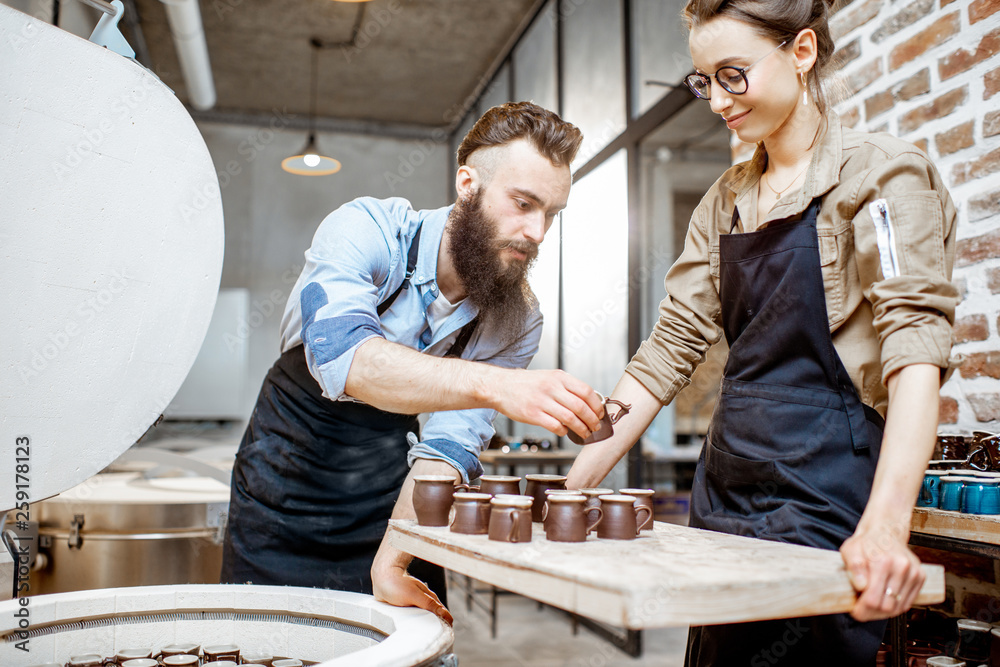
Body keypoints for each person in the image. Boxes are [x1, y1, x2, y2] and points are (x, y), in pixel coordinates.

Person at [564, 0, 958, 663]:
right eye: (704, 80)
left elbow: (914, 352)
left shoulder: (881, 174)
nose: (717, 100)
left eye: (733, 74)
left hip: (828, 495)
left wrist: (886, 528)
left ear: (801, 52)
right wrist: (572, 489)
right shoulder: (723, 201)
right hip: (726, 490)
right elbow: (668, 348)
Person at [221, 102, 605, 622]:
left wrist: (393, 558)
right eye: (522, 203)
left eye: (551, 213)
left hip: (389, 488)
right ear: (467, 184)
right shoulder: (367, 230)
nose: (537, 231)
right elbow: (346, 361)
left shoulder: (516, 318)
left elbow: (448, 445)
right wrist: (496, 387)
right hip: (283, 480)